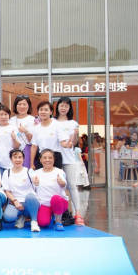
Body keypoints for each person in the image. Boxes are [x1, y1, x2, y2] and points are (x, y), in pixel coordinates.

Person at [55, 97, 85, 226]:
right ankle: (59, 213)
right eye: (61, 105)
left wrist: (75, 135)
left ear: (69, 108)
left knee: (72, 186)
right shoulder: (53, 122)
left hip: (69, 159)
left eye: (66, 106)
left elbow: (75, 142)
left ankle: (78, 213)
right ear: (57, 107)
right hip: (54, 159)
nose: (63, 108)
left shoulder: (73, 123)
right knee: (56, 187)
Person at [1, 149, 40, 232]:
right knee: (8, 217)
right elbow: (7, 191)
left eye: (20, 157)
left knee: (30, 196)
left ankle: (34, 221)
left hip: (29, 202)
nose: (18, 160)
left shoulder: (29, 171)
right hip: (16, 203)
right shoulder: (7, 173)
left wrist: (36, 182)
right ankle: (21, 217)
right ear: (11, 159)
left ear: (23, 159)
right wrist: (15, 201)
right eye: (15, 157)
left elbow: (36, 181)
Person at [32, 149, 69, 231]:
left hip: (59, 203)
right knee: (43, 223)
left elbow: (64, 184)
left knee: (55, 198)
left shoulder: (59, 171)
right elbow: (33, 190)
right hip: (45, 204)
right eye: (45, 158)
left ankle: (58, 221)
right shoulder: (36, 173)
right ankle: (51, 216)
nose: (47, 160)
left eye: (50, 158)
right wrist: (35, 184)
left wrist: (61, 183)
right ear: (40, 160)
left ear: (54, 159)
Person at [30, 101, 64, 170]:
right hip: (42, 157)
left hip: (55, 157)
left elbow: (63, 142)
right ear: (38, 112)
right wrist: (31, 163)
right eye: (41, 110)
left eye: (46, 110)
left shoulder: (57, 125)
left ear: (51, 112)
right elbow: (34, 146)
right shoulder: (36, 128)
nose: (43, 112)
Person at [0, 106, 20, 174]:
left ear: (9, 116)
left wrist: (14, 139)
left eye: (5, 114)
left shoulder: (13, 128)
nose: (3, 117)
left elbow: (17, 146)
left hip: (10, 162)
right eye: (1, 114)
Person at [10, 95, 35, 167]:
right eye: (19, 104)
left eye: (24, 104)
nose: (22, 106)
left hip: (27, 151)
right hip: (13, 151)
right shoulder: (11, 120)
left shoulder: (32, 120)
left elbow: (34, 141)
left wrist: (26, 131)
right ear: (15, 106)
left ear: (28, 106)